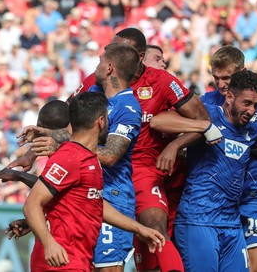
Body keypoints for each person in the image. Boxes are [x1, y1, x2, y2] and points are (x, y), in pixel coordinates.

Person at [14, 28, 221, 272]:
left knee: (151, 229)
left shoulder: (147, 93)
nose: (98, 61)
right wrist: (35, 149)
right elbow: (69, 124)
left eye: (105, 57)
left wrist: (176, 144)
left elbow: (200, 121)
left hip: (136, 172)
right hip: (94, 176)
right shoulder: (93, 86)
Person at [0, 43, 144, 271]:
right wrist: (32, 153)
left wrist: (65, 147)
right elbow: (69, 133)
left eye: (100, 61)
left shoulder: (128, 108)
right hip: (80, 199)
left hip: (111, 195)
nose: (96, 65)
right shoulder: (92, 93)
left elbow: (111, 155)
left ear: (109, 68)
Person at [149, 71, 257, 271]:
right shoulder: (207, 114)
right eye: (247, 103)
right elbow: (159, 121)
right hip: (198, 220)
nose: (252, 111)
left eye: (256, 105)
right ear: (230, 97)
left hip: (232, 225)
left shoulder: (250, 133)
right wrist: (188, 137)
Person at [16, 92, 165, 271]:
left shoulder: (90, 159)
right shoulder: (70, 157)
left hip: (77, 260)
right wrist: (49, 243)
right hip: (60, 262)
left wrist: (139, 229)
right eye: (108, 119)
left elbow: (95, 204)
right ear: (101, 121)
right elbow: (32, 204)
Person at [201, 46, 257, 272]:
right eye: (216, 78)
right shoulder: (206, 100)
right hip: (216, 198)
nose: (221, 84)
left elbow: (239, 141)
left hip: (252, 191)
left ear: (241, 72)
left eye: (227, 78)